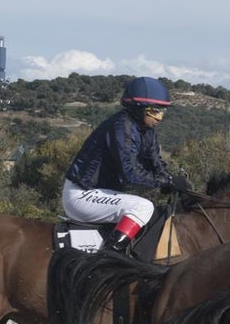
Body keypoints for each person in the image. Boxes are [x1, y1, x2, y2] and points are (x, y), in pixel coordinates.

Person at [62, 77, 181, 252]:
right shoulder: (122, 126)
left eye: (162, 111)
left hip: (102, 193)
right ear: (138, 108)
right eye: (154, 111)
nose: (159, 117)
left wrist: (171, 179)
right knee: (143, 207)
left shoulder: (147, 130)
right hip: (83, 195)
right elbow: (130, 173)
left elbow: (155, 162)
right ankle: (108, 258)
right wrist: (164, 182)